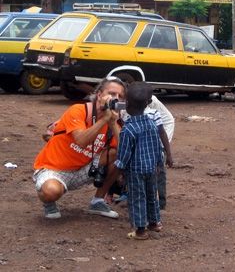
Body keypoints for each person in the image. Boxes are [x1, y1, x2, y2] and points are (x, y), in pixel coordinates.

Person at [32, 77, 126, 219]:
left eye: (120, 96)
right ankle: (49, 201)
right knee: (51, 191)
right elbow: (81, 141)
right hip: (53, 168)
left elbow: (124, 151)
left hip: (82, 169)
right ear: (99, 95)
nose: (116, 99)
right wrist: (105, 120)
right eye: (112, 94)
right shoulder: (78, 110)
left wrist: (113, 123)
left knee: (118, 154)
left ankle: (98, 201)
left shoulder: (113, 120)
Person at [115, 82, 163, 240]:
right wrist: (158, 164)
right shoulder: (151, 123)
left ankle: (140, 230)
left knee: (137, 198)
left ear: (127, 104)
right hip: (151, 168)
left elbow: (124, 154)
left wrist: (119, 171)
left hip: (135, 171)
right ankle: (154, 223)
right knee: (151, 195)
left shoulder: (128, 129)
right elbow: (157, 146)